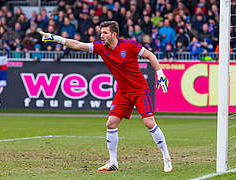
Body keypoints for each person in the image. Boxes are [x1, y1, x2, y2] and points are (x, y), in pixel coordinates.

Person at [38, 21, 172, 172]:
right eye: (101, 33)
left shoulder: (129, 45)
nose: (101, 35)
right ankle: (113, 162)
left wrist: (160, 73)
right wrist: (55, 38)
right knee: (111, 124)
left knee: (149, 123)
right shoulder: (101, 47)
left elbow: (150, 55)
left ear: (114, 34)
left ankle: (166, 157)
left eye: (105, 33)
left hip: (139, 90)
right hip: (123, 92)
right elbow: (78, 45)